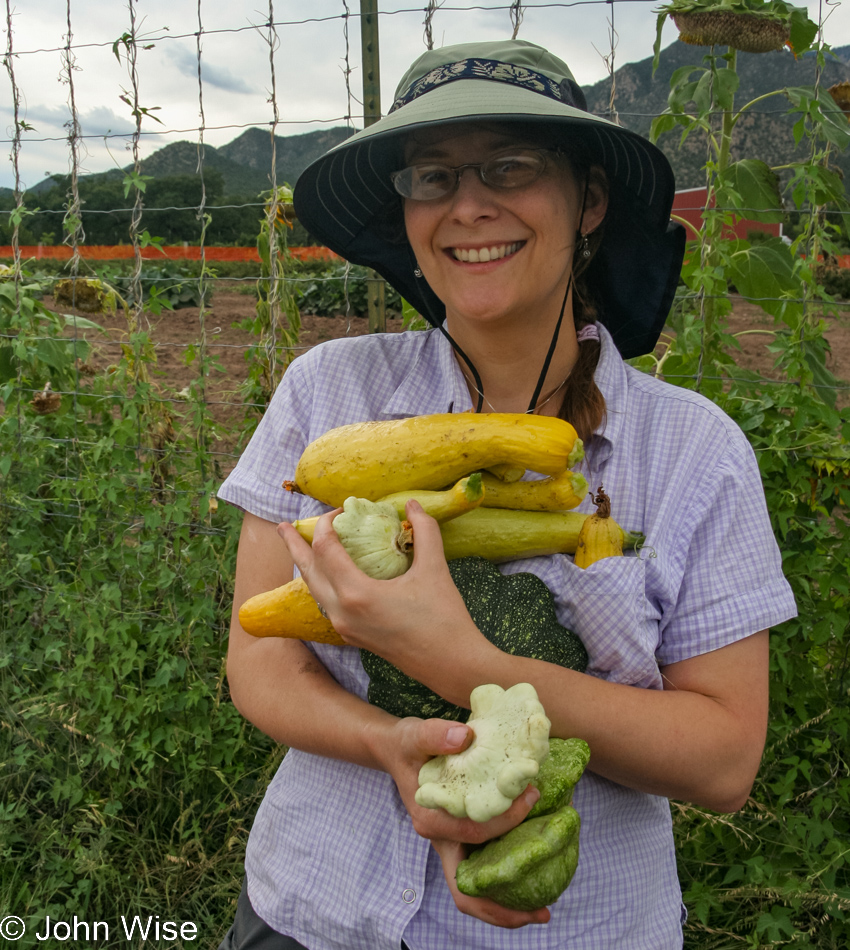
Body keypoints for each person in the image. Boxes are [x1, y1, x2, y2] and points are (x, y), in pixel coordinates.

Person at [217, 39, 796, 950]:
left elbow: (724, 762)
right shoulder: (328, 394)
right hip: (308, 909)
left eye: (510, 166)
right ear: (405, 211)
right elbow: (258, 655)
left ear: (590, 200)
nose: (468, 206)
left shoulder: (693, 449)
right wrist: (389, 746)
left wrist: (455, 658)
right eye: (432, 176)